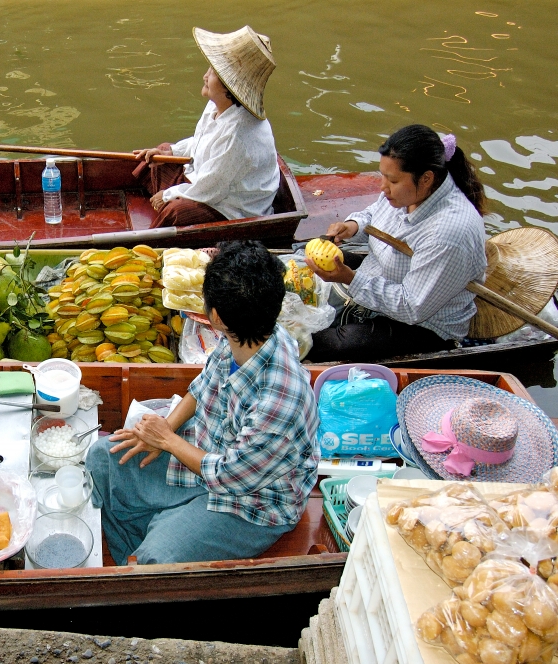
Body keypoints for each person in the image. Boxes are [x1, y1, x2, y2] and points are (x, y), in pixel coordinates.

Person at [85, 240, 320, 565]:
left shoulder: (280, 399)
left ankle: (154, 546)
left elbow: (230, 476)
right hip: (208, 446)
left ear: (216, 317)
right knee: (103, 458)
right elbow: (201, 387)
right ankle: (148, 539)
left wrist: (167, 440)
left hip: (252, 501)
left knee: (156, 557)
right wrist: (165, 429)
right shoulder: (248, 336)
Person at [304, 124, 487, 362]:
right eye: (382, 176)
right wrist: (353, 226)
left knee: (330, 344)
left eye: (392, 180)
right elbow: (373, 215)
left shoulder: (449, 234)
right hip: (385, 271)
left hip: (422, 322)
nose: (382, 187)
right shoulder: (407, 191)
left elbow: (411, 306)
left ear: (426, 179)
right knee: (303, 259)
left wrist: (349, 278)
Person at [133, 26, 280, 228]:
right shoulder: (217, 104)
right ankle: (161, 203)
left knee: (176, 212)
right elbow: (202, 141)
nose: (205, 76)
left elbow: (212, 187)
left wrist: (169, 194)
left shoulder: (237, 134)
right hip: (211, 181)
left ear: (229, 87)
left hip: (232, 207)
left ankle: (156, 225)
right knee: (159, 157)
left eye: (212, 72)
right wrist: (170, 151)